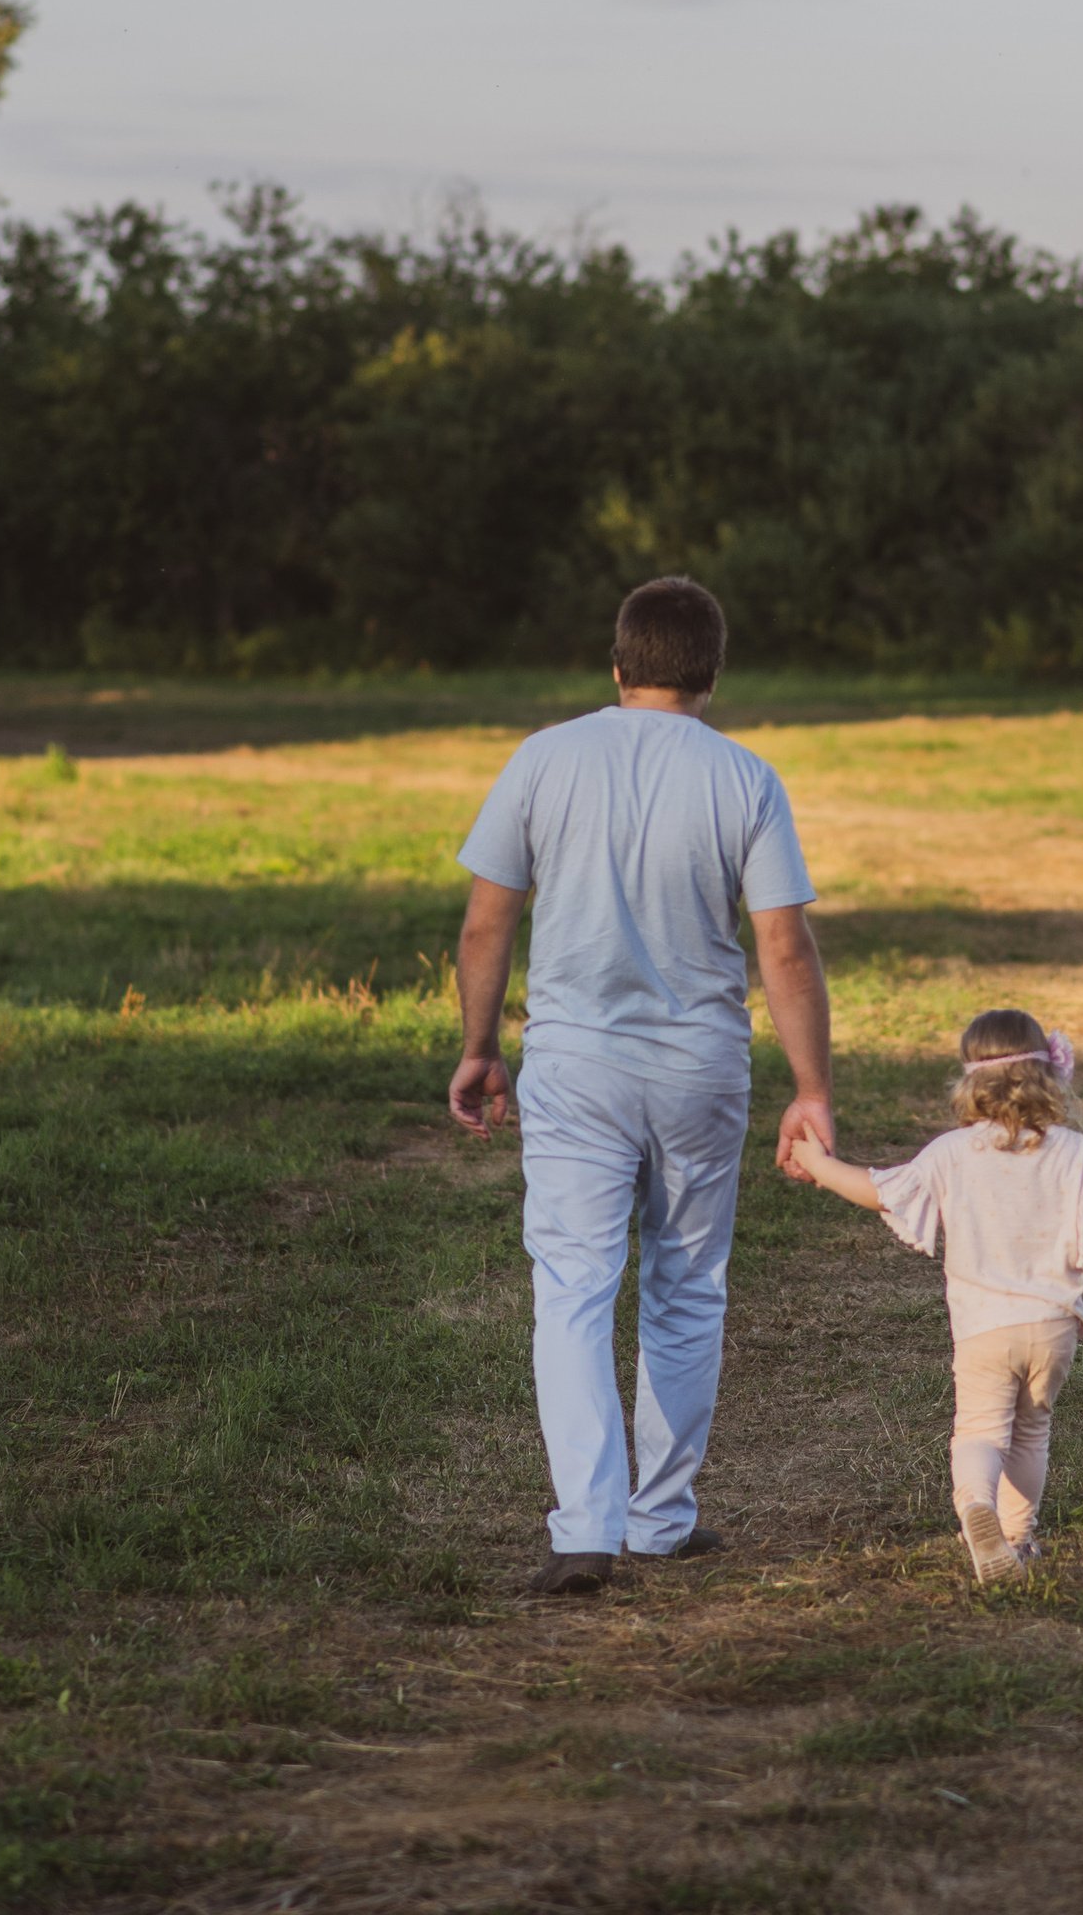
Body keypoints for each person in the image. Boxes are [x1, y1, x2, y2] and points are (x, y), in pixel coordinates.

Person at [447, 576, 835, 1597]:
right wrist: (811, 1087)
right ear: (713, 674)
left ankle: (584, 1527)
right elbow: (783, 948)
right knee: (687, 1283)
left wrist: (480, 1046)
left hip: (575, 1064)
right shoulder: (745, 777)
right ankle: (661, 1518)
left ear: (617, 666)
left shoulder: (544, 757)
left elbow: (487, 922)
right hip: (699, 1068)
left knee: (573, 1285)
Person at [788, 1009, 1083, 1583]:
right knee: (1031, 1432)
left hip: (984, 1327)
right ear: (1048, 1075)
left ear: (969, 1081)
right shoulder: (1072, 1150)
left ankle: (976, 1506)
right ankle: (1018, 1540)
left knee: (981, 1431)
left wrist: (818, 1162)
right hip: (1053, 1326)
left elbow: (878, 1191)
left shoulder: (951, 1152)